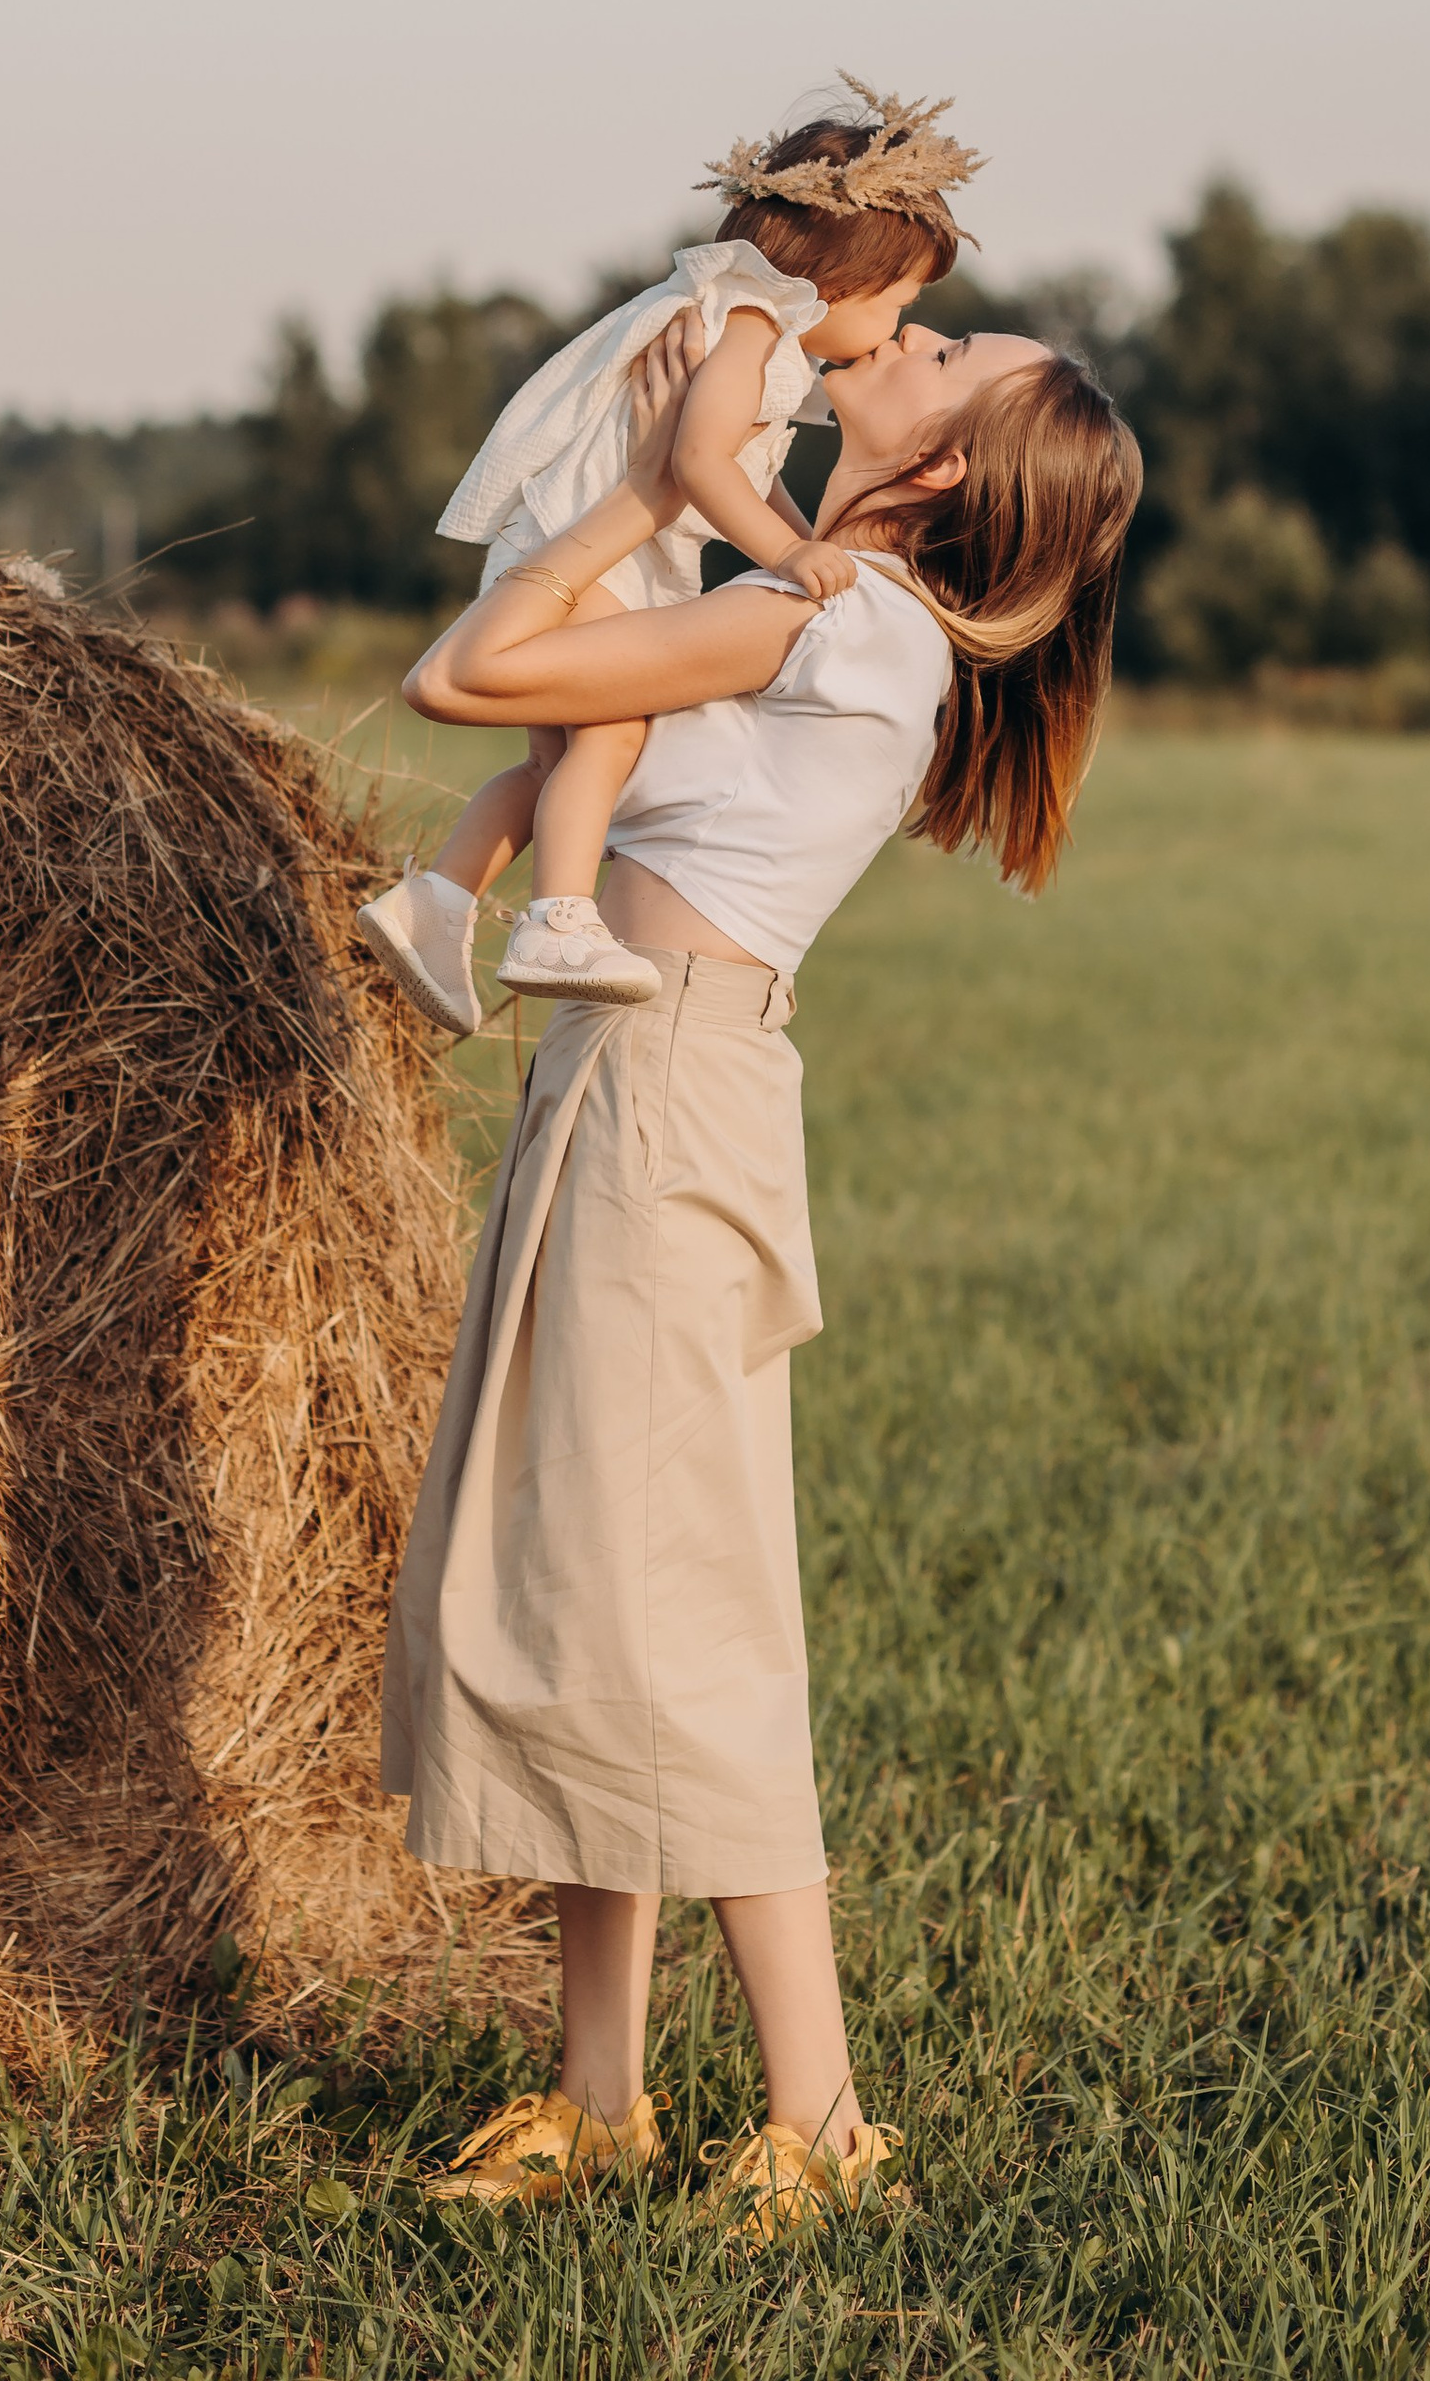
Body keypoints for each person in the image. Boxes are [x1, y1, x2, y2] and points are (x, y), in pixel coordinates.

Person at [379, 300, 1141, 2241]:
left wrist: (647, 488)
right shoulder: (797, 605)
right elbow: (573, 732)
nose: (905, 328)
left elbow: (466, 670)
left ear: (945, 462)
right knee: (589, 1579)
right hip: (616, 1077)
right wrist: (667, 503)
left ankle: (826, 2120)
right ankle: (599, 2091)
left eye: (945, 348)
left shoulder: (838, 617)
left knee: (685, 1606)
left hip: (665, 1097)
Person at [354, 82, 983, 1021]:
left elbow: (745, 467)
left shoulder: (759, 334)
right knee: (612, 737)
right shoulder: (751, 327)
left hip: (576, 544)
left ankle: (437, 904)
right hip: (595, 550)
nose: (898, 325)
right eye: (899, 300)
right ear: (838, 276)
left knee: (551, 769)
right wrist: (785, 557)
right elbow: (695, 463)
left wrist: (802, 542)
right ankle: (557, 920)